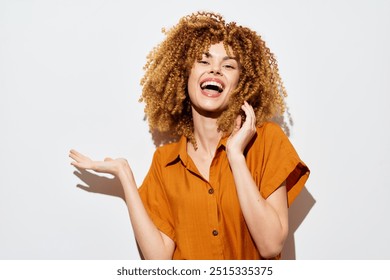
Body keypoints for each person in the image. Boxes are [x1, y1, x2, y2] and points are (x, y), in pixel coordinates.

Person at [69, 11, 310, 260]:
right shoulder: (165, 162)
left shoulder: (266, 141)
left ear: (241, 83)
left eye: (228, 65)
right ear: (185, 74)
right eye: (204, 61)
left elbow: (271, 246)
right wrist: (125, 175)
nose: (215, 70)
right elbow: (159, 260)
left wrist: (236, 156)